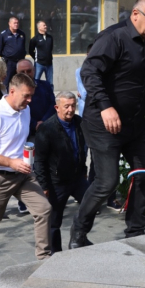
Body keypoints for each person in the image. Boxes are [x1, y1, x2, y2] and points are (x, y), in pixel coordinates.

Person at [69, 0, 145, 247]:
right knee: (107, 181)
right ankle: (79, 233)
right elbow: (90, 71)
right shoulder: (113, 38)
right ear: (135, 14)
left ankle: (135, 233)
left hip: (136, 125)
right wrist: (105, 106)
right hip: (104, 123)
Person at [0, 73, 51, 278]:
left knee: (44, 209)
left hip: (22, 174)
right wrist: (10, 161)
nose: (30, 100)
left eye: (31, 96)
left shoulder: (25, 110)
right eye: (26, 95)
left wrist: (25, 159)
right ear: (12, 91)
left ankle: (44, 259)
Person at [34, 92, 90, 254]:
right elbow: (40, 161)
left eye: (73, 106)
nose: (70, 110)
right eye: (66, 106)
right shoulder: (47, 128)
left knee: (90, 206)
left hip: (77, 178)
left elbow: (82, 150)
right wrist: (44, 185)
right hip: (56, 181)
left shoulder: (79, 123)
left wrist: (84, 171)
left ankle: (79, 237)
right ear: (57, 108)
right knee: (54, 221)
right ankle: (55, 252)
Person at [76, 44, 121, 213]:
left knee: (108, 165)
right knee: (92, 161)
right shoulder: (83, 71)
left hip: (108, 123)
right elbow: (87, 92)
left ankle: (110, 198)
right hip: (90, 122)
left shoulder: (107, 72)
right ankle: (90, 199)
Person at [16, 59, 56, 213]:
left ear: (34, 70)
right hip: (29, 134)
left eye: (29, 71)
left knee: (48, 165)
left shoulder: (44, 85)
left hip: (46, 130)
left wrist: (43, 122)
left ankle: (48, 197)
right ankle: (24, 203)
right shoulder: (14, 89)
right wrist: (34, 124)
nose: (26, 74)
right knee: (29, 167)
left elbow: (53, 105)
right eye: (22, 72)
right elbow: (19, 111)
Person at [0, 16, 27, 90]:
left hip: (20, 62)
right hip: (9, 62)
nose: (16, 24)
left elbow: (23, 47)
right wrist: (6, 57)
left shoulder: (22, 34)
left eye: (17, 23)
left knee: (20, 80)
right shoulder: (3, 34)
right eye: (14, 23)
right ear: (9, 24)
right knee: (7, 81)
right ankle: (5, 97)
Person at [29, 20, 54, 89]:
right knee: (35, 82)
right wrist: (38, 58)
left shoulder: (50, 38)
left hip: (49, 64)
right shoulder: (35, 39)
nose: (46, 27)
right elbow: (30, 51)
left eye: (46, 25)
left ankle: (50, 98)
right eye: (44, 25)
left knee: (50, 83)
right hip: (39, 64)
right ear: (39, 27)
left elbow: (50, 49)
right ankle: (35, 97)